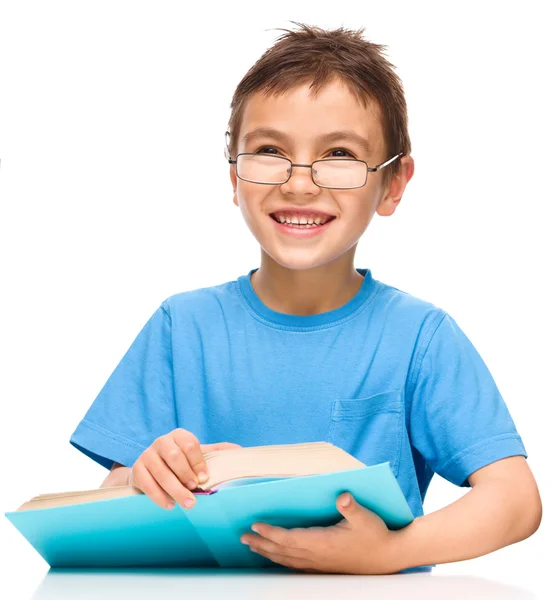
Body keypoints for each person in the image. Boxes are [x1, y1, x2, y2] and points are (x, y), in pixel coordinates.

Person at [69, 22, 542, 575]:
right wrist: (142, 475)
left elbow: (515, 500)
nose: (299, 184)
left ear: (392, 184)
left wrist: (390, 552)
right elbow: (113, 494)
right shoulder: (182, 326)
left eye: (339, 153)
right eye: (269, 151)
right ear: (234, 176)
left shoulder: (419, 337)